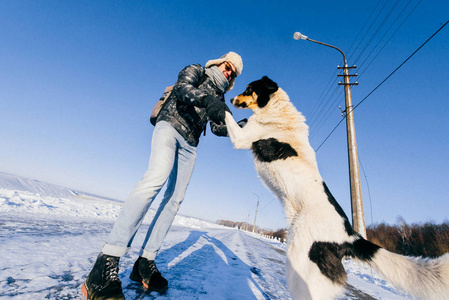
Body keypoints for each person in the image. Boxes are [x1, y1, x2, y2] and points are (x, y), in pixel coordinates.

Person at [81, 52, 243, 300]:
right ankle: (105, 263)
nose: (228, 71)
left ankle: (145, 262)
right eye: (227, 65)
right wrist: (207, 99)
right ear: (219, 61)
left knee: (175, 199)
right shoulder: (197, 70)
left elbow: (216, 126)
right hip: (169, 126)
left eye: (233, 72)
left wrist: (238, 126)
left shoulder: (221, 96)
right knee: (155, 179)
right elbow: (182, 89)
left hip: (190, 144)